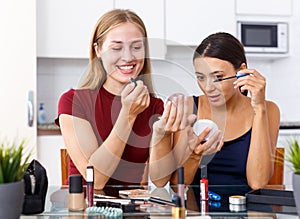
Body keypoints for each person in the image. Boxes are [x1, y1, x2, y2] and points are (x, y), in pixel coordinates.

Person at [55, 9, 192, 189]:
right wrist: (127, 114)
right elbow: (95, 180)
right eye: (116, 48)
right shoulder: (73, 102)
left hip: (131, 210)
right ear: (98, 50)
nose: (128, 57)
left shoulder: (154, 106)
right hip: (82, 207)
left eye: (136, 47)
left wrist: (162, 134)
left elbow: (160, 180)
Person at [170, 32, 280, 190]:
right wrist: (194, 155)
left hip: (247, 211)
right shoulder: (188, 108)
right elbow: (177, 184)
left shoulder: (269, 109)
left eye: (218, 78)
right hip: (199, 211)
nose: (208, 88)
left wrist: (259, 108)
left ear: (241, 71)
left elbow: (258, 183)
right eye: (201, 77)